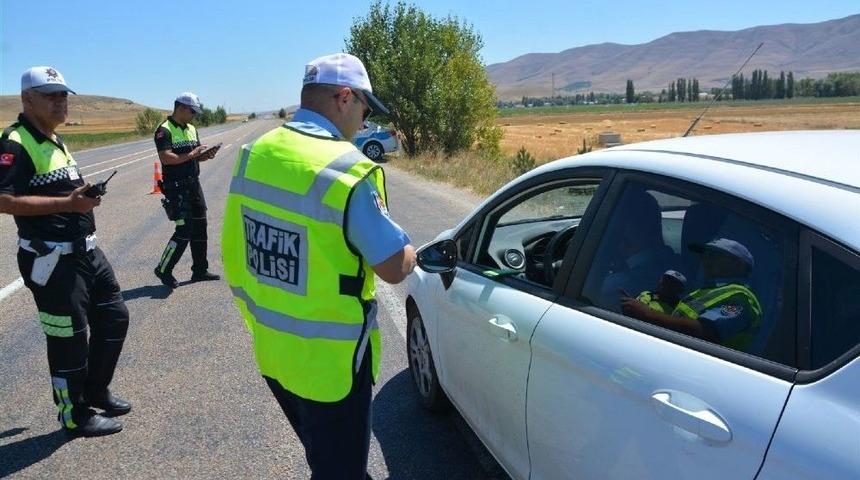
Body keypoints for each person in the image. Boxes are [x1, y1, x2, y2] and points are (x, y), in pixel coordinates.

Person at [221, 53, 416, 479]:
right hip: (331, 364)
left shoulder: (256, 153)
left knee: (324, 456)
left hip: (275, 348)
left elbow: (237, 246)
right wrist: (413, 251)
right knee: (339, 470)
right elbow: (393, 268)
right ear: (344, 97)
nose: (362, 124)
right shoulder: (348, 170)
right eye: (364, 110)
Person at [0, 66, 130, 436]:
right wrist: (69, 206)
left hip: (87, 253)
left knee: (114, 318)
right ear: (27, 99)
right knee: (69, 340)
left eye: (63, 95)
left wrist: (81, 196)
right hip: (52, 259)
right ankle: (74, 414)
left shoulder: (55, 139)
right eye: (50, 95)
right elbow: (3, 200)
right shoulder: (14, 142)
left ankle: (96, 390)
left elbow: (60, 192)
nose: (61, 102)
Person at [622, 238, 762, 350]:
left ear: (738, 265)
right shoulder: (707, 290)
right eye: (705, 255)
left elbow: (703, 332)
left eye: (714, 256)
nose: (706, 260)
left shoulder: (741, 297)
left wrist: (647, 314)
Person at [152, 92, 220, 288]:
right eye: (192, 111)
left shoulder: (191, 128)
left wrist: (204, 156)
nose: (194, 116)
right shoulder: (163, 130)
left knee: (200, 226)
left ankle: (200, 270)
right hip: (176, 187)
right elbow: (166, 158)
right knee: (184, 229)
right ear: (181, 108)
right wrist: (191, 154)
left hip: (193, 184)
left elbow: (194, 156)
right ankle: (163, 269)